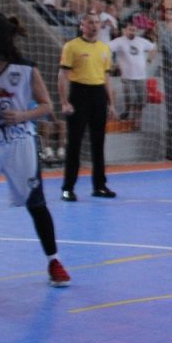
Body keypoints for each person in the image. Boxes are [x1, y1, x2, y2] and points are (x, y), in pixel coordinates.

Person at [0, 13, 71, 288]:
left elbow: (47, 106)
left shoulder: (25, 69)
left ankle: (54, 261)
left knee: (36, 204)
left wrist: (24, 115)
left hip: (19, 141)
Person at [58, 12, 117, 201]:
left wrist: (111, 103)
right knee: (74, 143)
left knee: (98, 143)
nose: (94, 26)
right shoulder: (72, 46)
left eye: (97, 23)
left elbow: (107, 78)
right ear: (82, 25)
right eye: (90, 22)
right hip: (79, 94)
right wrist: (64, 101)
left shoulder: (104, 48)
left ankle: (99, 186)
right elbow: (63, 75)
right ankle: (68, 188)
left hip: (98, 94)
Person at [109, 22, 156, 127]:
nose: (132, 32)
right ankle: (127, 112)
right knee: (129, 98)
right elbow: (106, 48)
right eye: (130, 30)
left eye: (134, 30)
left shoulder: (141, 41)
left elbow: (153, 47)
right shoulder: (119, 41)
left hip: (141, 76)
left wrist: (149, 59)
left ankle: (137, 120)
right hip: (127, 76)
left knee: (141, 100)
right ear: (125, 30)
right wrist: (111, 62)